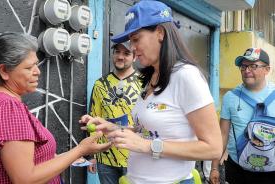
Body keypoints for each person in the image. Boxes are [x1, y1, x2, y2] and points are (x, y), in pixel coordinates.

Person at [80, 1, 222, 183]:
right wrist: (112, 128)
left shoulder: (186, 76)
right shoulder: (150, 77)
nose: (132, 47)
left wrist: (148, 146)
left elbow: (213, 148)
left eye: (136, 39)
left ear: (160, 33)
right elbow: (147, 132)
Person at [0, 32, 111, 184]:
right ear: (4, 71)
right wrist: (81, 150)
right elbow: (25, 179)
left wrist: (72, 156)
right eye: (29, 67)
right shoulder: (7, 107)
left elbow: (30, 160)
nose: (37, 72)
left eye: (36, 64)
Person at [210, 48, 275, 184]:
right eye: (243, 66)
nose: (247, 70)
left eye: (253, 66)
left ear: (267, 70)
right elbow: (223, 134)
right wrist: (214, 167)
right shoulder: (230, 97)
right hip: (238, 170)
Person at [88, 41, 142, 184]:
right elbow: (94, 119)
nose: (120, 57)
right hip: (105, 158)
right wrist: (93, 154)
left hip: (134, 156)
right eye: (117, 52)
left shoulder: (144, 84)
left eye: (126, 53)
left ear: (135, 57)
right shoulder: (100, 84)